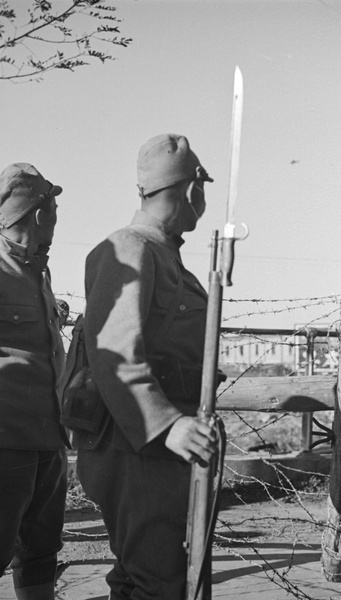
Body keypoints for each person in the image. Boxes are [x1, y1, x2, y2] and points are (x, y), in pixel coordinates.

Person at [75, 134, 221, 599]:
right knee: (160, 583)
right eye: (203, 189)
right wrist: (167, 427)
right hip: (136, 447)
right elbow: (113, 352)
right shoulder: (131, 247)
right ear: (193, 188)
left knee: (144, 578)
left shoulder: (168, 257)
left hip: (152, 452)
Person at [0, 163, 68, 600]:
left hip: (49, 437)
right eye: (54, 206)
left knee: (41, 551)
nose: (57, 216)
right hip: (6, 441)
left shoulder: (37, 272)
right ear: (41, 214)